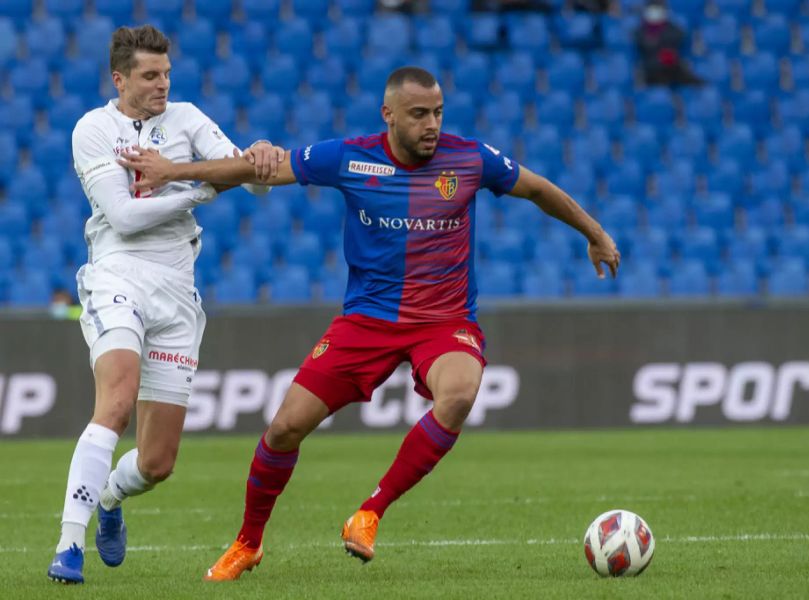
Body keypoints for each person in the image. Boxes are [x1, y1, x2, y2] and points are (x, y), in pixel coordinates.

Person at [119, 66, 621, 581]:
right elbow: (257, 172)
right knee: (286, 427)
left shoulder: (469, 159)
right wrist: (175, 170)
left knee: (461, 393)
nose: (432, 125)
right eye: (419, 114)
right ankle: (248, 543)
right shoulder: (350, 156)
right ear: (389, 115)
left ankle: (370, 512)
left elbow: (537, 189)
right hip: (367, 321)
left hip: (443, 322)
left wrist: (595, 233)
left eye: (438, 113)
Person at [47, 24, 280, 585]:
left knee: (156, 464)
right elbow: (124, 216)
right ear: (119, 78)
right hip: (116, 274)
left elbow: (253, 180)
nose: (162, 85)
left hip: (178, 290)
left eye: (167, 73)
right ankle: (68, 544)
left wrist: (259, 157)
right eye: (150, 76)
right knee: (117, 397)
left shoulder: (187, 118)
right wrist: (200, 190)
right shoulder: (93, 129)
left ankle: (108, 498)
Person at [634, 0, 704, 87]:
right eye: (652, 9)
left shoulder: (671, 27)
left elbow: (679, 37)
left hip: (671, 66)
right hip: (652, 69)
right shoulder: (640, 31)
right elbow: (644, 46)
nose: (654, 13)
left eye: (658, 9)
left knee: (681, 70)